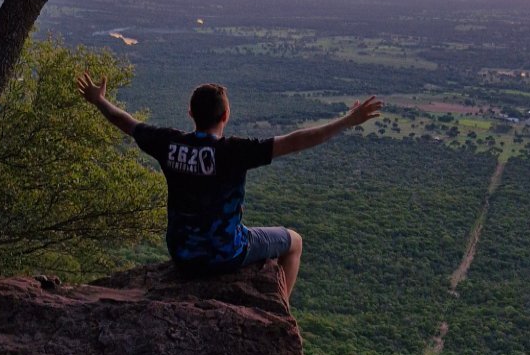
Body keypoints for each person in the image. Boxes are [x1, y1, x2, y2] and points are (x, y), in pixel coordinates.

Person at [76, 73, 382, 301]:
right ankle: (280, 309)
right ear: (226, 116)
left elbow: (126, 122)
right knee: (295, 241)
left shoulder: (169, 144)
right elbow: (297, 140)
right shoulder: (234, 151)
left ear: (191, 114)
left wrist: (98, 99)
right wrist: (346, 121)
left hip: (181, 253)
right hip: (226, 254)